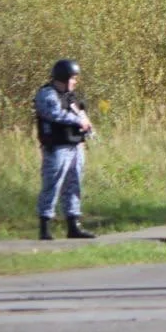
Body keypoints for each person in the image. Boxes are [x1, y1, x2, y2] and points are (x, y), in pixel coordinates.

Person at [35, 59, 95, 240]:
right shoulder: (47, 94)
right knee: (52, 185)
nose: (75, 81)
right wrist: (79, 121)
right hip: (57, 148)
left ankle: (73, 226)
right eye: (73, 78)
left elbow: (81, 114)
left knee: (74, 185)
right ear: (64, 77)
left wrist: (88, 128)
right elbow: (54, 114)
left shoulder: (70, 97)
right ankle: (45, 227)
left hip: (75, 146)